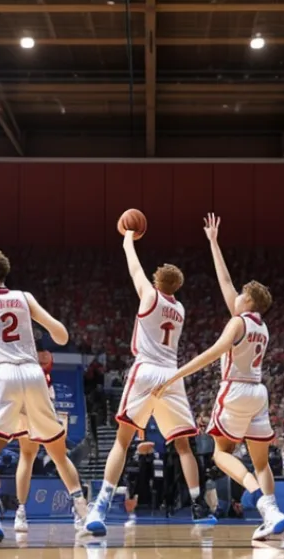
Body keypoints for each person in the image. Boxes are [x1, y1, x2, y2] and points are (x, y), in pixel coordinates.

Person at [154, 213, 284, 541]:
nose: (236, 295)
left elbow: (213, 353)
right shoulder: (261, 325)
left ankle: (262, 503)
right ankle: (272, 512)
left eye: (241, 294)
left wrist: (175, 376)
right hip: (259, 392)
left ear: (248, 301)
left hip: (235, 390)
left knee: (220, 453)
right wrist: (214, 242)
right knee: (262, 462)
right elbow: (226, 283)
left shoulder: (237, 323)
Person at [0, 250, 89, 542]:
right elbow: (61, 335)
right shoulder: (25, 298)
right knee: (58, 453)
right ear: (5, 274)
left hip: (3, 374)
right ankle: (83, 512)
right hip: (33, 374)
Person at [85, 222, 212, 536]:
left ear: (157, 280)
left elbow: (132, 265)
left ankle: (100, 505)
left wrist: (128, 237)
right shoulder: (179, 308)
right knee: (184, 446)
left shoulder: (149, 295)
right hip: (172, 374)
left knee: (123, 440)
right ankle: (199, 505)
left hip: (146, 369)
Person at [0, 354, 55, 533]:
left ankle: (19, 508)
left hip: (21, 415)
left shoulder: (34, 373)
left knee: (27, 456)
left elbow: (49, 400)